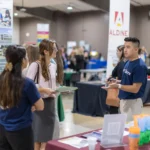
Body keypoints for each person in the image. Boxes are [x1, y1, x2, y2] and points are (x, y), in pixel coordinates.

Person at [0, 45, 44, 150]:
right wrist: (31, 104)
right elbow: (40, 106)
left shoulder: (2, 79)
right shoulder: (27, 83)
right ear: (23, 60)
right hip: (21, 131)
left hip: (2, 128)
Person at [104, 37, 147, 121]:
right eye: (124, 47)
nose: (125, 50)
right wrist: (116, 81)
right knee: (124, 127)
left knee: (130, 129)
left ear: (135, 49)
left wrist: (118, 86)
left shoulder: (139, 66)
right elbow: (127, 81)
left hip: (133, 103)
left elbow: (135, 89)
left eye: (128, 47)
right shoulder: (128, 62)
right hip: (124, 100)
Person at [26, 39, 58, 150]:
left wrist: (57, 90)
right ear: (45, 51)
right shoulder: (35, 65)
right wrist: (44, 90)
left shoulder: (53, 66)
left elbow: (52, 86)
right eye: (54, 48)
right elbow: (28, 86)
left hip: (50, 104)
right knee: (37, 139)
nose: (56, 50)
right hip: (39, 104)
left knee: (47, 139)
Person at [109, 45, 125, 114]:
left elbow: (119, 76)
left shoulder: (122, 63)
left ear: (122, 52)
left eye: (117, 51)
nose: (116, 53)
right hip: (120, 88)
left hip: (120, 89)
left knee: (115, 109)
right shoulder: (121, 62)